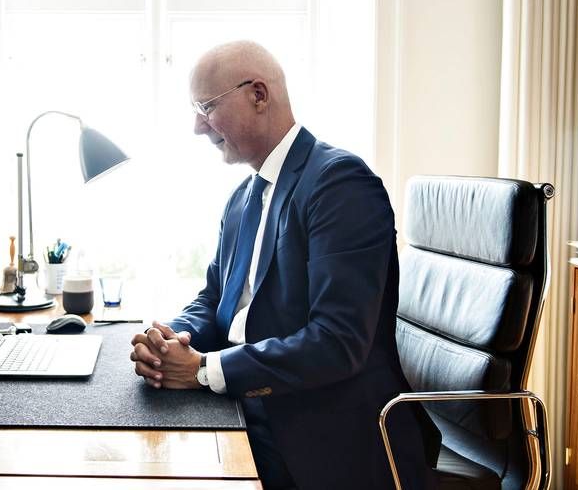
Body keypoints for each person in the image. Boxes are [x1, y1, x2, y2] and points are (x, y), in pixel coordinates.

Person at [129, 41, 440, 489]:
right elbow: (216, 299)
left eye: (206, 107)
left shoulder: (339, 184)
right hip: (248, 403)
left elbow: (337, 343)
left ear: (258, 94)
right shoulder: (243, 197)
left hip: (322, 432)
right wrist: (171, 342)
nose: (198, 127)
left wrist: (200, 370)